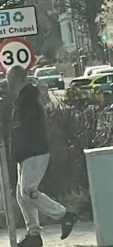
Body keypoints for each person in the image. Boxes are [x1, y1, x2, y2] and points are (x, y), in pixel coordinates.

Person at [3, 66, 77, 247]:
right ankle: (34, 235)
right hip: (25, 153)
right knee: (22, 195)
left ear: (14, 79)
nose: (7, 83)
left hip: (35, 151)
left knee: (28, 191)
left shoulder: (28, 97)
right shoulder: (22, 98)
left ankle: (64, 216)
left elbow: (32, 118)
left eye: (8, 79)